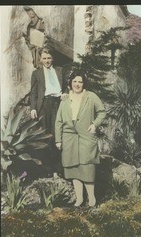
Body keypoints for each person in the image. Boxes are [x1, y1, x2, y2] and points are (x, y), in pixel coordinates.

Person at [55, 71, 106, 207]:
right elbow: (59, 121)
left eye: (80, 81)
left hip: (86, 136)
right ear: (70, 83)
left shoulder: (91, 96)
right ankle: (79, 199)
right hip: (69, 137)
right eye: (74, 81)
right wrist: (58, 140)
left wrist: (94, 124)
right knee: (73, 169)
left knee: (87, 168)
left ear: (84, 83)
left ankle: (92, 199)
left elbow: (102, 112)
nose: (77, 84)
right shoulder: (65, 100)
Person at [30, 47, 63, 175]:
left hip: (57, 104)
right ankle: (46, 168)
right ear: (40, 59)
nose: (47, 60)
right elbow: (33, 93)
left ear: (52, 58)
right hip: (43, 105)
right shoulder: (36, 73)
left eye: (49, 58)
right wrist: (33, 108)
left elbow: (66, 87)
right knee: (44, 135)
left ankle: (57, 167)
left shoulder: (60, 71)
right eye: (44, 58)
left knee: (56, 134)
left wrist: (64, 94)